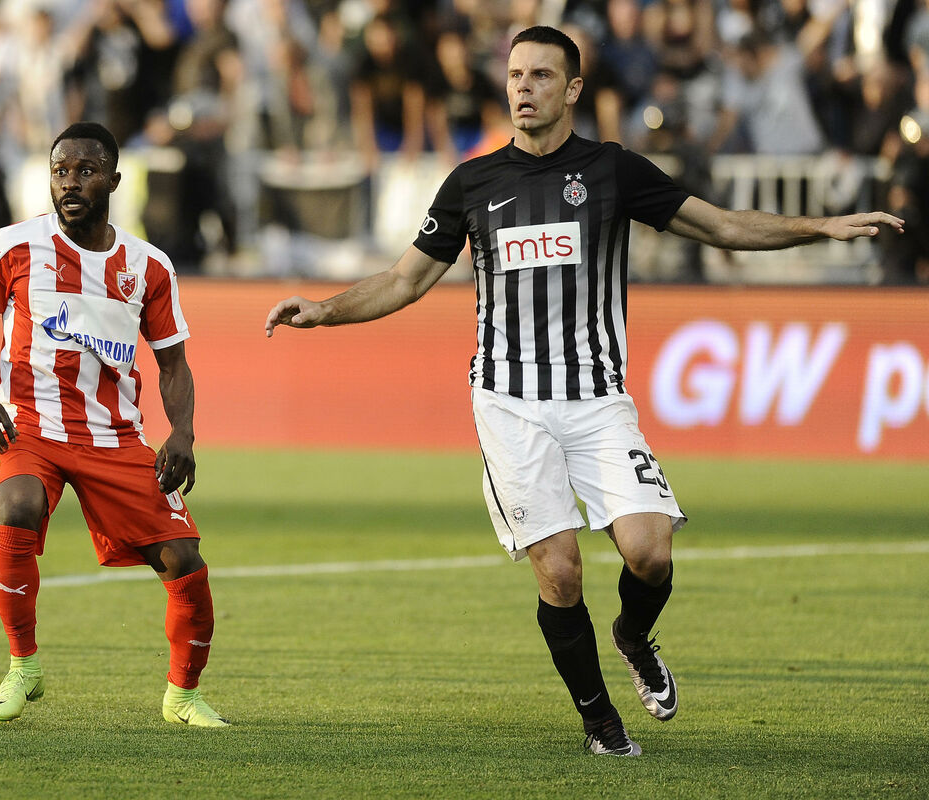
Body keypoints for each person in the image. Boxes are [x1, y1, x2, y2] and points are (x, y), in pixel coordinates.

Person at [264, 26, 903, 756]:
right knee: (560, 570)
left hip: (597, 397)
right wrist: (324, 310)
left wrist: (819, 227)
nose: (524, 87)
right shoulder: (472, 182)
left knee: (651, 553)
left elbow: (722, 226)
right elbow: (405, 280)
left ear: (573, 89)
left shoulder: (612, 170)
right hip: (509, 402)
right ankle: (601, 722)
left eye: (541, 75)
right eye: (515, 75)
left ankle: (633, 635)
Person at [0, 121, 228, 727]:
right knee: (18, 507)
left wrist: (182, 432)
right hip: (28, 426)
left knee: (185, 560)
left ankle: (183, 696)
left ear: (115, 181)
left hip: (114, 436)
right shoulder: (12, 247)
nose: (70, 183)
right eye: (60, 171)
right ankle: (23, 665)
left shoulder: (148, 267)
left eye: (85, 171)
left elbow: (173, 364)